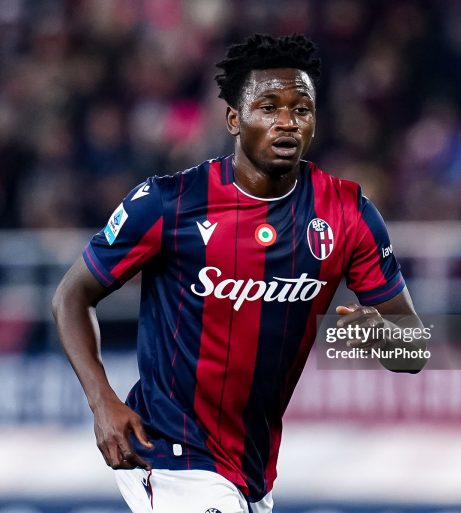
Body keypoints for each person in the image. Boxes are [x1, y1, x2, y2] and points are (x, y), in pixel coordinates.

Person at [52, 33, 426, 513]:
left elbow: (414, 351)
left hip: (251, 470)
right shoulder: (170, 203)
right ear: (234, 118)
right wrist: (101, 401)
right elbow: (71, 295)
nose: (287, 122)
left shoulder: (348, 213)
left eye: (302, 108)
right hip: (169, 454)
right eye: (268, 107)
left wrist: (380, 335)